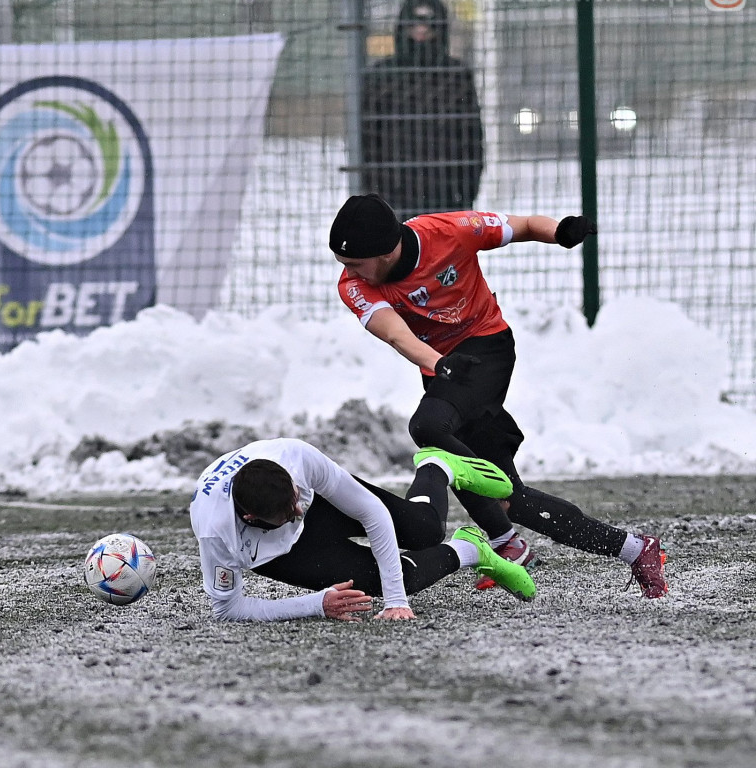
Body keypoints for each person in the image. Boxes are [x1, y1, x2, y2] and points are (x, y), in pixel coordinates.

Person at [328, 193, 669, 598]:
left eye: (353, 263)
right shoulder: (353, 285)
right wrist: (439, 364)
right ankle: (629, 548)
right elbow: (396, 334)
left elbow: (521, 225)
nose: (346, 273)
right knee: (512, 495)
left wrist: (559, 232)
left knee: (429, 427)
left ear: (385, 251)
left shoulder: (450, 231)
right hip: (443, 368)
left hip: (485, 350)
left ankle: (503, 531)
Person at [189, 438, 537, 622]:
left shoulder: (296, 458)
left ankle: (436, 465)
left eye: (297, 499)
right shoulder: (217, 533)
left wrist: (396, 602)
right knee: (399, 578)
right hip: (279, 553)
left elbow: (373, 513)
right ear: (252, 519)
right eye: (289, 513)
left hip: (316, 505)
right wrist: (317, 603)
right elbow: (228, 610)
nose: (298, 511)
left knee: (425, 530)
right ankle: (470, 549)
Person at [361, 0, 484, 219]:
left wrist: (467, 193)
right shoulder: (382, 74)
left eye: (428, 24)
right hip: (395, 192)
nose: (421, 30)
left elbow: (471, 137)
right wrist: (375, 193)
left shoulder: (456, 74)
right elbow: (369, 138)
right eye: (414, 23)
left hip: (445, 192)